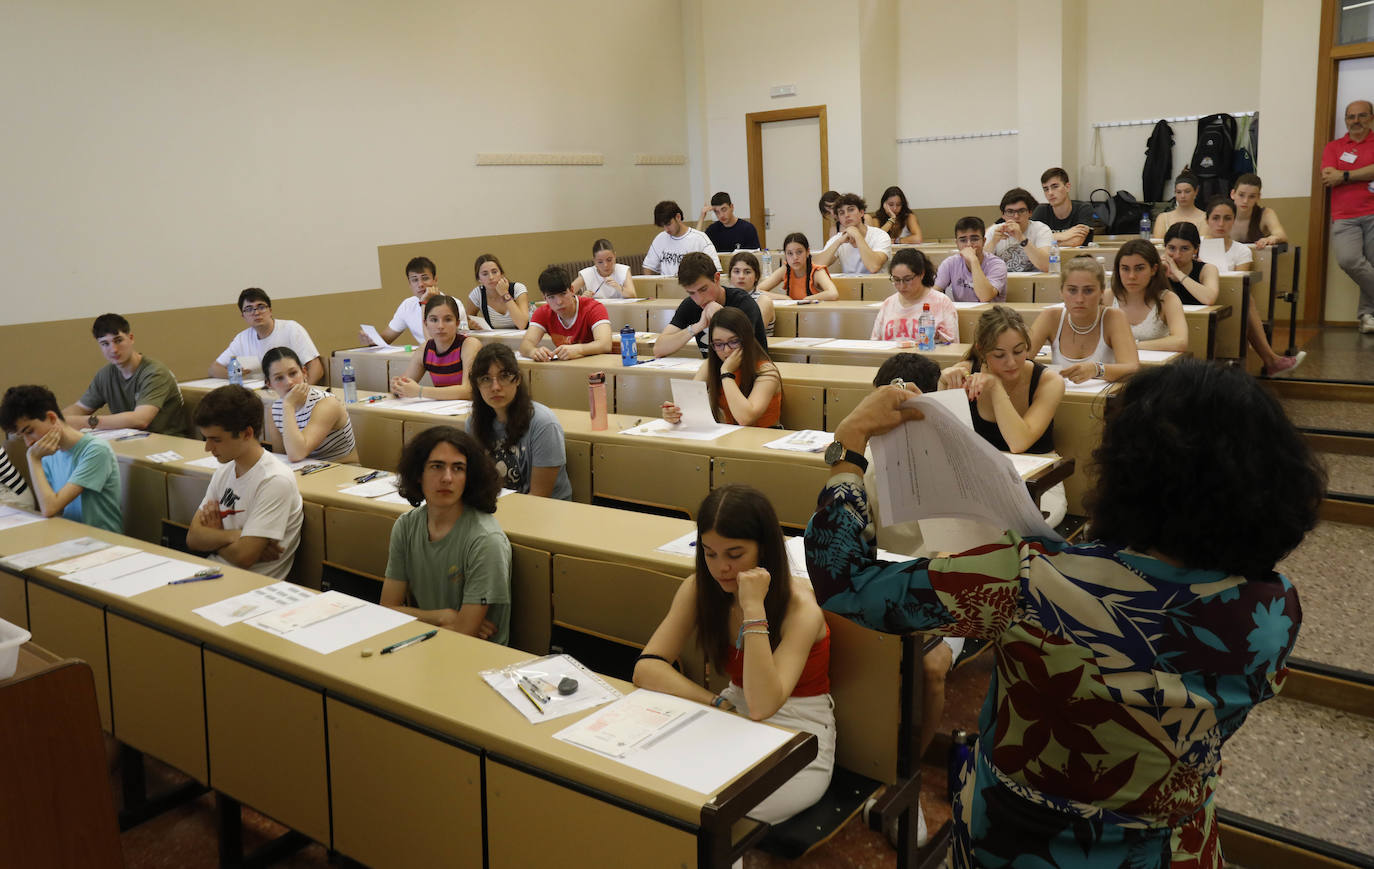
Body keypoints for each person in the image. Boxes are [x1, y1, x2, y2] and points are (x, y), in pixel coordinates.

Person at [804, 358, 1324, 868]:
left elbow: (845, 581)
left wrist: (848, 446)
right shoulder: (1275, 608)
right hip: (1169, 846)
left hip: (1019, 841)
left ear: (1129, 472)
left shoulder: (1030, 578)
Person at [634, 484, 834, 825]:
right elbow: (647, 669)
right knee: (654, 783)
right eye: (710, 554)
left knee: (709, 809)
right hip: (730, 713)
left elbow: (762, 705)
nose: (720, 568)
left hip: (799, 731)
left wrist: (753, 607)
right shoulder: (700, 588)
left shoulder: (801, 610)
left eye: (734, 554)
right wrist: (717, 702)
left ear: (765, 550)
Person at [382, 427, 511, 644]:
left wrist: (412, 616)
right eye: (436, 466)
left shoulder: (485, 540)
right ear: (417, 474)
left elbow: (464, 634)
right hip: (421, 644)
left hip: (475, 658)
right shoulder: (406, 526)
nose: (447, 478)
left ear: (469, 477)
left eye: (458, 468)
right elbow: (386, 611)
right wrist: (442, 617)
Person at [187, 384, 302, 579]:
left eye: (215, 439)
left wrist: (215, 535)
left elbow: (244, 556)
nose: (207, 448)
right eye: (205, 438)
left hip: (252, 588)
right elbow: (193, 537)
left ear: (247, 434)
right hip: (212, 573)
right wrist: (234, 535)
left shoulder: (274, 480)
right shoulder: (224, 470)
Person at [1199, 198, 1304, 376]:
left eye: (1227, 218)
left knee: (1245, 299)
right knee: (1246, 302)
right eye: (1215, 218)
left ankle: (1269, 359)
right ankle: (1270, 359)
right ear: (1207, 220)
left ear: (1233, 220)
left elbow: (1238, 284)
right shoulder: (1196, 245)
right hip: (1198, 297)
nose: (1221, 224)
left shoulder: (1241, 250)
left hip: (1227, 300)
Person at [939, 306, 1063, 454]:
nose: (1011, 362)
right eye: (999, 355)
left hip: (1038, 474)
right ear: (982, 351)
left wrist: (995, 387)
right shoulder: (964, 373)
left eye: (1018, 351)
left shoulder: (1049, 381)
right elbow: (946, 442)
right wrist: (942, 384)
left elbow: (1018, 443)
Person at [0, 385, 121, 532]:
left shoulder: (96, 450)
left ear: (51, 418)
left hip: (102, 541)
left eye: (30, 431)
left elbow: (49, 508)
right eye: (22, 436)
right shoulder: (48, 453)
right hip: (68, 535)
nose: (28, 443)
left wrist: (33, 459)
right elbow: (53, 513)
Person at [466, 343, 571, 500]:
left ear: (517, 380)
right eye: (486, 379)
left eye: (504, 376)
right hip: (497, 508)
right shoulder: (473, 423)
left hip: (544, 513)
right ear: (477, 385)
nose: (495, 387)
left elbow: (539, 497)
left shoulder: (543, 424)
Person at [63, 313, 191, 436]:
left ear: (131, 338)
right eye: (105, 344)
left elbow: (140, 420)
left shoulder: (154, 372)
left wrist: (88, 422)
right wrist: (57, 420)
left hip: (167, 441)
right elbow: (79, 408)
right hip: (130, 439)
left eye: (118, 340)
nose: (113, 349)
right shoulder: (105, 374)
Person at [661, 308, 782, 428]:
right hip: (731, 436)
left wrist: (726, 373)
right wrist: (674, 414)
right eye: (718, 344)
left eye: (734, 342)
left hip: (764, 438)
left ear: (747, 340)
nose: (727, 350)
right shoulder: (710, 365)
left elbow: (745, 418)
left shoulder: (766, 371)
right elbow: (689, 406)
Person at [1025, 256, 1139, 382]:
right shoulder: (1050, 317)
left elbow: (1132, 369)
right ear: (1061, 292)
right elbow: (1020, 361)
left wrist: (1097, 369)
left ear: (1102, 292)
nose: (1079, 299)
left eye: (1088, 291)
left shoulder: (1114, 317)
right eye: (1072, 290)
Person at [1321, 99, 1374, 333]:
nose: (1356, 121)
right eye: (1351, 116)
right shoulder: (1334, 147)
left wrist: (1344, 175)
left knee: (1372, 265)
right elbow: (1328, 177)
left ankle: (1367, 316)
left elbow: (1338, 176)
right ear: (1345, 120)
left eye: (1362, 115)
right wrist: (1359, 174)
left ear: (1371, 118)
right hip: (1344, 216)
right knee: (1349, 260)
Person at [655, 252, 768, 358]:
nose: (699, 299)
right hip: (714, 373)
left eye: (703, 289)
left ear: (717, 278)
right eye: (691, 293)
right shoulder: (689, 305)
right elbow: (659, 349)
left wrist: (722, 315)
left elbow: (738, 351)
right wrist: (698, 326)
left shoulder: (743, 302)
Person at [262, 347, 358, 465]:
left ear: (304, 372)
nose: (289, 382)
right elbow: (282, 458)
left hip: (343, 469)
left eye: (293, 373)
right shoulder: (275, 410)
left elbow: (296, 454)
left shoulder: (327, 404)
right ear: (269, 384)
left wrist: (288, 406)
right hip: (304, 471)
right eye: (279, 378)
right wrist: (288, 406)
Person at [211, 288, 322, 383]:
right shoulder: (242, 338)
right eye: (249, 309)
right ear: (243, 316)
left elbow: (316, 367)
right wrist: (236, 376)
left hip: (292, 390)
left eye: (261, 307)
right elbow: (214, 368)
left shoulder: (291, 329)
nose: (256, 312)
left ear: (270, 310)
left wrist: (305, 391)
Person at [362, 256, 471, 347]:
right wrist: (371, 340)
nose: (420, 284)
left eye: (425, 278)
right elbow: (386, 339)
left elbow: (437, 344)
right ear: (409, 284)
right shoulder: (407, 305)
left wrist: (425, 303)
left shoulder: (453, 304)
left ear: (435, 280)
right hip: (426, 360)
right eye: (414, 280)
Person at [391, 295, 482, 400]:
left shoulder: (469, 345)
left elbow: (469, 391)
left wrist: (420, 391)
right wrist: (397, 386)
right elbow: (404, 384)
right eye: (434, 320)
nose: (440, 326)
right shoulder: (425, 349)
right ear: (425, 324)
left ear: (457, 323)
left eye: (447, 320)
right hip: (443, 410)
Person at [1103, 240, 1188, 352]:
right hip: (1114, 366)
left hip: (1154, 367)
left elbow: (1180, 342)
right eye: (1125, 269)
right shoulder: (1107, 297)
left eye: (1139, 268)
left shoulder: (1168, 299)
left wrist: (1132, 346)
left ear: (1154, 269)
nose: (1132, 276)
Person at [519, 265, 613, 362]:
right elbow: (525, 345)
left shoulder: (593, 308)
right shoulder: (543, 312)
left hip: (596, 364)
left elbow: (605, 344)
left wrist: (578, 349)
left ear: (572, 290)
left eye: (563, 294)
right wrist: (534, 352)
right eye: (551, 297)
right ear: (544, 298)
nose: (559, 302)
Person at [871, 248, 957, 344]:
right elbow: (875, 343)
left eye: (908, 279)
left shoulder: (941, 302)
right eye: (896, 279)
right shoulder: (888, 303)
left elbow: (951, 346)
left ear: (921, 274)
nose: (902, 286)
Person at [813, 193, 892, 275]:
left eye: (851, 210)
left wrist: (857, 235)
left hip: (877, 286)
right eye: (841, 213)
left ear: (861, 212)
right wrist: (839, 242)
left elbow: (873, 267)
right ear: (839, 219)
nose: (846, 215)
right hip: (850, 286)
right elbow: (816, 265)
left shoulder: (880, 235)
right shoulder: (839, 238)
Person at [935, 217, 1008, 303]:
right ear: (957, 243)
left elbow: (985, 297)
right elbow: (935, 292)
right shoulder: (950, 263)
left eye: (974, 239)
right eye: (963, 240)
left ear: (984, 241)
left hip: (992, 314)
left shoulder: (997, 264)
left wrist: (973, 261)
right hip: (962, 314)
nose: (969, 244)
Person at [642, 200, 721, 277]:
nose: (666, 229)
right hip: (667, 287)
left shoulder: (700, 239)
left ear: (678, 217)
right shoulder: (660, 239)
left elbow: (716, 270)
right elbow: (648, 266)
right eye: (663, 226)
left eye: (668, 224)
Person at [757, 232, 839, 301]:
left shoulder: (817, 271)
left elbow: (833, 293)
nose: (795, 257)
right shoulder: (785, 269)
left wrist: (806, 300)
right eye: (790, 253)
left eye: (799, 252)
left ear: (807, 252)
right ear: (785, 254)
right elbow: (757, 290)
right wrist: (784, 298)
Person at [985, 188, 1052, 272]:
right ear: (1003, 215)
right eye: (1010, 211)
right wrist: (993, 243)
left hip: (1033, 282)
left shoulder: (1041, 229)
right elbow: (980, 266)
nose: (1016, 216)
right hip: (1002, 282)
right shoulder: (994, 231)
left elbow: (1047, 266)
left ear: (1030, 213)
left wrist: (1021, 238)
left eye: (1021, 211)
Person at [464, 254, 530, 331]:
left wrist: (505, 294)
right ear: (479, 279)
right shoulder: (477, 294)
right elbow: (465, 321)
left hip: (521, 338)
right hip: (496, 340)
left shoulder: (517, 288)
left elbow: (522, 324)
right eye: (485, 274)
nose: (491, 277)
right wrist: (471, 324)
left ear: (501, 274)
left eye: (494, 272)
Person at [1161, 223, 1220, 306]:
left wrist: (1177, 272)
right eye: (1171, 248)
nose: (1177, 255)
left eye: (1184, 249)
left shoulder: (1208, 269)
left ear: (1195, 249)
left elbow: (1209, 299)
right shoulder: (1158, 268)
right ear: (1165, 247)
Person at [1031, 167, 1094, 246]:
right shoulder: (1041, 210)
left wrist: (1045, 241)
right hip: (1049, 258)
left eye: (1055, 187)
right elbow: (1030, 239)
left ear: (1067, 187)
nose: (1050, 193)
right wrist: (1064, 235)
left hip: (1078, 257)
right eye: (1046, 189)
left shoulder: (1084, 208)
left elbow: (1076, 241)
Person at [724, 251, 775, 337]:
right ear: (730, 275)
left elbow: (753, 333)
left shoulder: (763, 300)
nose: (741, 276)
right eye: (736, 271)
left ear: (756, 277)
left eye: (747, 272)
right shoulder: (725, 297)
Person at [1230, 174, 1288, 249]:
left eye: (1252, 196)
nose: (1245, 201)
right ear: (1233, 194)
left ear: (1258, 197)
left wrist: (1270, 239)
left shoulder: (1265, 213)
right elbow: (1209, 236)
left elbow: (1281, 235)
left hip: (1257, 259)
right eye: (1241, 195)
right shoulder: (1222, 213)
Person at [571, 239, 638, 299]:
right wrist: (581, 299)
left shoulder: (623, 270)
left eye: (609, 260)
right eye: (600, 262)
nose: (605, 265)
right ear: (594, 260)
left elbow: (633, 295)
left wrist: (619, 287)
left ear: (614, 256)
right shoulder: (587, 274)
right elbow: (567, 295)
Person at [1151, 172, 1209, 240]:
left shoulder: (1205, 218)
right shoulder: (1163, 218)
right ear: (1175, 193)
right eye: (1179, 192)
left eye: (1187, 191)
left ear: (1196, 191)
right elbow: (1158, 244)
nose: (1183, 196)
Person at [696, 191, 761, 252]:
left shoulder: (747, 228)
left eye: (724, 210)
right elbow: (696, 245)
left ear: (731, 207)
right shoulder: (712, 229)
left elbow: (755, 255)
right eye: (717, 212)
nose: (721, 215)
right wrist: (702, 216)